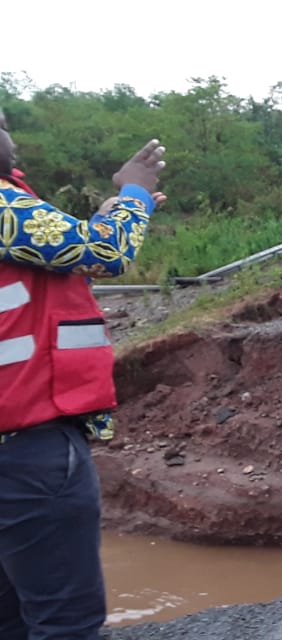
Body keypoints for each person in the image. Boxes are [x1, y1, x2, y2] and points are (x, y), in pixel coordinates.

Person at [0, 109, 167, 640]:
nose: (12, 139)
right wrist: (134, 194)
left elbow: (69, 252)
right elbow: (105, 252)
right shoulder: (4, 207)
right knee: (63, 623)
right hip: (26, 452)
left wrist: (103, 217)